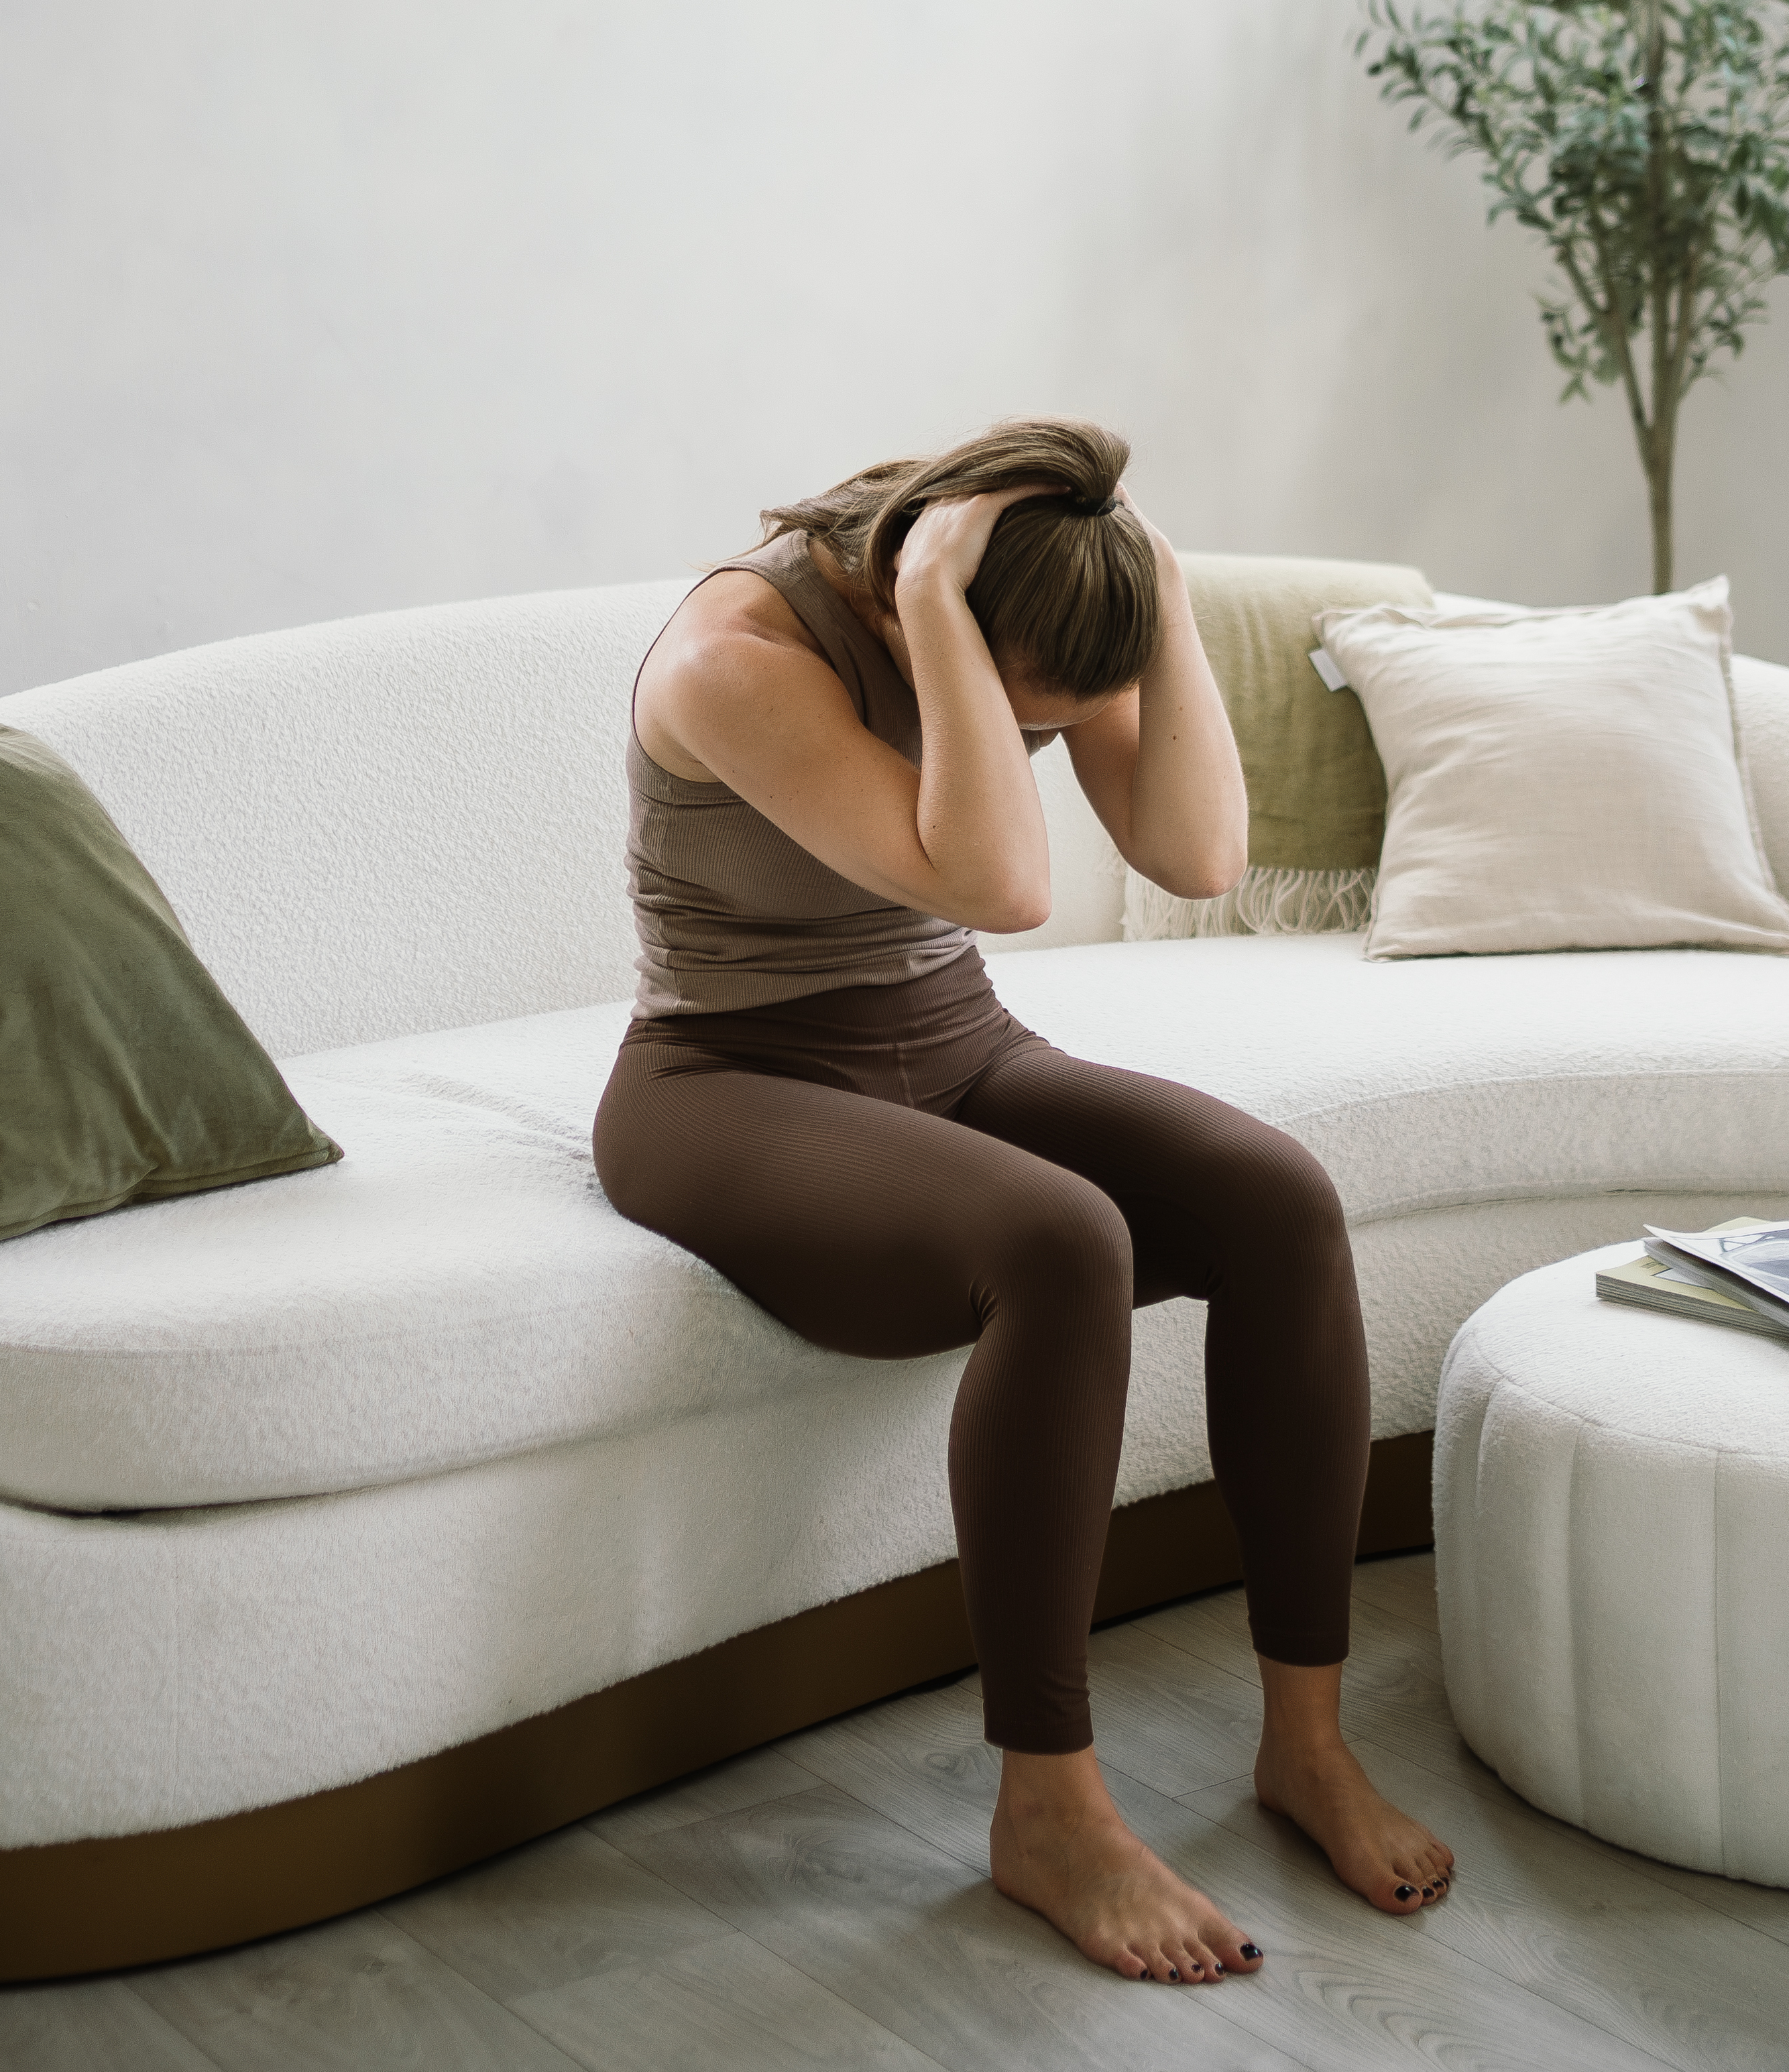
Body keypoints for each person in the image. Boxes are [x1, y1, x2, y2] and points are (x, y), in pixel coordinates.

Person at [594, 416, 1452, 1983]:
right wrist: (931, 604)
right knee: (1061, 1237)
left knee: (1276, 1200)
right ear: (926, 603)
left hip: (958, 1049)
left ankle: (1303, 1744)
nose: (1053, 738)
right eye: (1023, 715)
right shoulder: (737, 653)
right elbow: (1000, 887)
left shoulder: (1035, 601)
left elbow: (1196, 856)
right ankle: (1048, 1807)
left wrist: (1162, 589)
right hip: (726, 1086)